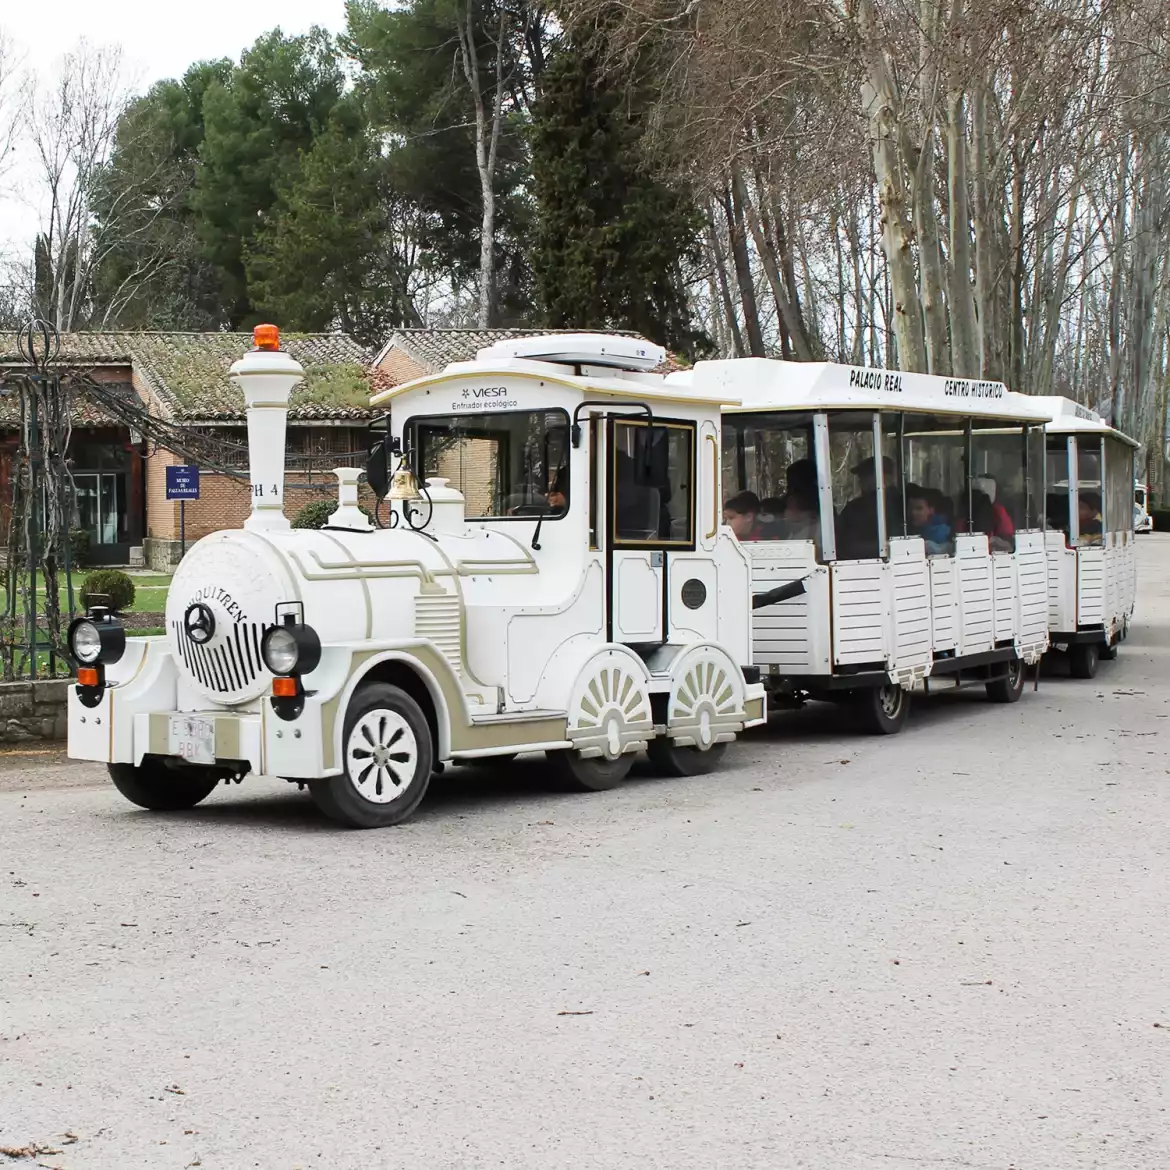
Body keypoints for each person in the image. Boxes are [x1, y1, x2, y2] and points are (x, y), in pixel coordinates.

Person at [836, 455, 898, 559]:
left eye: (865, 476)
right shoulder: (902, 501)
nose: (860, 481)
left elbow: (846, 545)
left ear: (883, 477)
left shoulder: (856, 508)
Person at [906, 484, 952, 555]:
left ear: (931, 510)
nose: (913, 512)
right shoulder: (913, 529)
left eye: (919, 508)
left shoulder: (942, 533)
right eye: (910, 508)